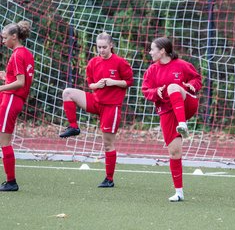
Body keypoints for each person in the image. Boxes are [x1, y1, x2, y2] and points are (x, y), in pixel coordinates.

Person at [59, 32, 133, 188]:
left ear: (111, 45)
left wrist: (113, 82)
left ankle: (109, 179)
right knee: (67, 93)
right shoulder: (93, 62)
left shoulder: (120, 62)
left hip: (111, 107)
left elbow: (128, 82)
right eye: (99, 47)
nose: (101, 50)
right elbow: (90, 84)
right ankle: (73, 127)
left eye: (104, 47)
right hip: (95, 101)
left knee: (108, 144)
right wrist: (96, 85)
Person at [142, 37, 202, 202]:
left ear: (162, 51)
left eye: (152, 49)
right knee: (174, 152)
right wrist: (157, 93)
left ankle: (183, 124)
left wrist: (191, 86)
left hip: (186, 104)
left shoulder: (182, 65)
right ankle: (179, 192)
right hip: (167, 111)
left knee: (173, 87)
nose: (150, 52)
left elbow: (196, 79)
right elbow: (146, 90)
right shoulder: (152, 70)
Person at [0, 21, 34, 191]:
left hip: (11, 100)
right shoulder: (26, 53)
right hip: (13, 100)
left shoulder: (16, 55)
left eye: (5, 38)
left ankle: (11, 182)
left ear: (14, 37)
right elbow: (26, 80)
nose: (3, 41)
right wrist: (6, 77)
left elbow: (20, 83)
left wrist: (2, 86)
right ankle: (10, 181)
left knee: (4, 142)